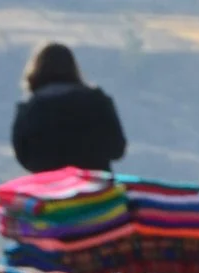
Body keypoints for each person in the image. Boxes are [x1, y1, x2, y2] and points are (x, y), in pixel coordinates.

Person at [9, 44, 128, 176]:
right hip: (94, 184)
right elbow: (117, 149)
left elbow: (24, 156)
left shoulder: (30, 109)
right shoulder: (97, 101)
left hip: (49, 184)